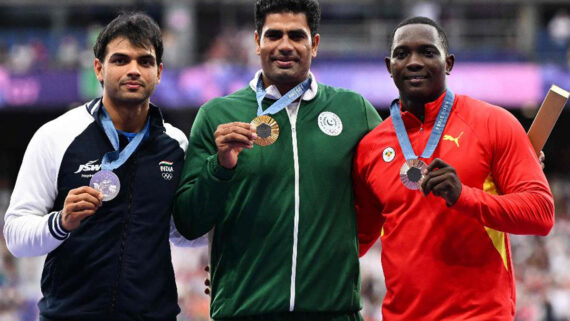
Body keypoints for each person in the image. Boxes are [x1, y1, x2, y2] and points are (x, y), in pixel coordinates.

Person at [173, 0, 381, 320]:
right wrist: (221, 165)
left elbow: (388, 197)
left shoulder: (354, 111)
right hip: (246, 311)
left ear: (315, 43)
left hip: (334, 312)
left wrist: (348, 254)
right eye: (274, 35)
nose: (284, 46)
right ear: (257, 42)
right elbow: (189, 222)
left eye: (296, 36)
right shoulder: (217, 115)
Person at [353, 16, 555, 320]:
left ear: (448, 63)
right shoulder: (371, 147)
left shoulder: (493, 123)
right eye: (402, 53)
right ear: (388, 66)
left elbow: (541, 214)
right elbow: (355, 239)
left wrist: (463, 196)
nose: (414, 62)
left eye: (427, 52)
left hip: (480, 315)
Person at [3, 12, 200, 321]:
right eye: (120, 60)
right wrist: (60, 223)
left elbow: (180, 233)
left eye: (144, 61)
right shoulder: (56, 136)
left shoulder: (176, 145)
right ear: (99, 68)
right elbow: (15, 235)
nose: (134, 70)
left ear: (159, 72)